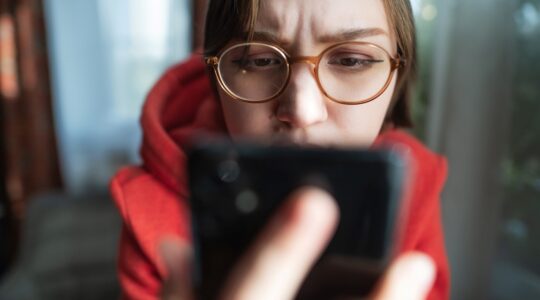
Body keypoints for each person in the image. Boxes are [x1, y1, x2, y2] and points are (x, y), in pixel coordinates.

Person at [110, 0, 450, 299]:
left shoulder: (414, 184)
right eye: (259, 61)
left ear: (398, 75)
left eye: (350, 60)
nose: (303, 111)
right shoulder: (147, 214)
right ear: (216, 78)